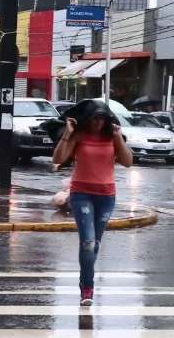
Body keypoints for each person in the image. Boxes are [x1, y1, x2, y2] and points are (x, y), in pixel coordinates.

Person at [52, 101, 132, 306]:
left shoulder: (112, 137)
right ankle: (87, 287)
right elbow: (58, 158)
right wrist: (68, 133)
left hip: (106, 196)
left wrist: (117, 137)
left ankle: (84, 279)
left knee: (94, 244)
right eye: (95, 118)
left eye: (102, 118)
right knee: (87, 243)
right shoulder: (79, 136)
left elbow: (128, 161)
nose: (98, 122)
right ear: (88, 119)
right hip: (81, 194)